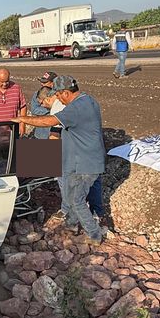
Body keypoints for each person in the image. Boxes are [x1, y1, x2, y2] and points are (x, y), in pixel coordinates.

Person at [11, 75, 106, 245]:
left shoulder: (75, 108)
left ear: (65, 93)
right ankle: (71, 225)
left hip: (85, 163)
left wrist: (22, 119)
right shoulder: (87, 100)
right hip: (76, 160)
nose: (57, 99)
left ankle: (94, 235)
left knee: (77, 201)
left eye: (58, 95)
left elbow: (50, 122)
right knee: (69, 196)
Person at [39, 89, 106, 226]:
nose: (42, 106)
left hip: (75, 155)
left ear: (47, 99)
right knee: (93, 182)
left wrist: (48, 160)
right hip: (92, 153)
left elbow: (54, 134)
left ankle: (69, 212)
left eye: (41, 103)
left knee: (66, 182)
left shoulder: (57, 107)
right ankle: (96, 212)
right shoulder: (85, 102)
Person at [30, 71, 58, 139]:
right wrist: (51, 109)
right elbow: (34, 110)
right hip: (41, 134)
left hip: (56, 134)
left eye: (45, 82)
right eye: (41, 81)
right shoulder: (38, 94)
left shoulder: (60, 94)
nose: (42, 84)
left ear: (53, 83)